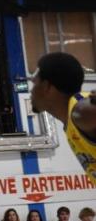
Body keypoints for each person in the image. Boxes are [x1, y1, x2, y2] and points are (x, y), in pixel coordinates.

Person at [29, 52, 96, 185]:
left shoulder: (80, 112)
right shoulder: (74, 116)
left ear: (47, 87)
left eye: (35, 83)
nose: (31, 91)